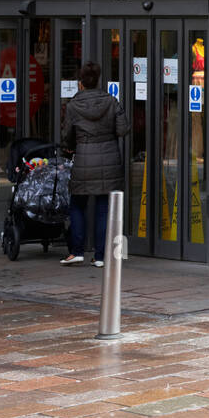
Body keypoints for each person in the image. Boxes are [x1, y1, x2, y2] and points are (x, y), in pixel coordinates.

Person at [61, 61, 129, 267]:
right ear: (98, 80)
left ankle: (77, 250)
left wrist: (72, 146)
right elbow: (123, 129)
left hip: (83, 157)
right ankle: (100, 256)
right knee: (102, 208)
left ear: (80, 83)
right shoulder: (111, 101)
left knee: (77, 204)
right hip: (109, 158)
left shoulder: (73, 105)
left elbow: (67, 136)